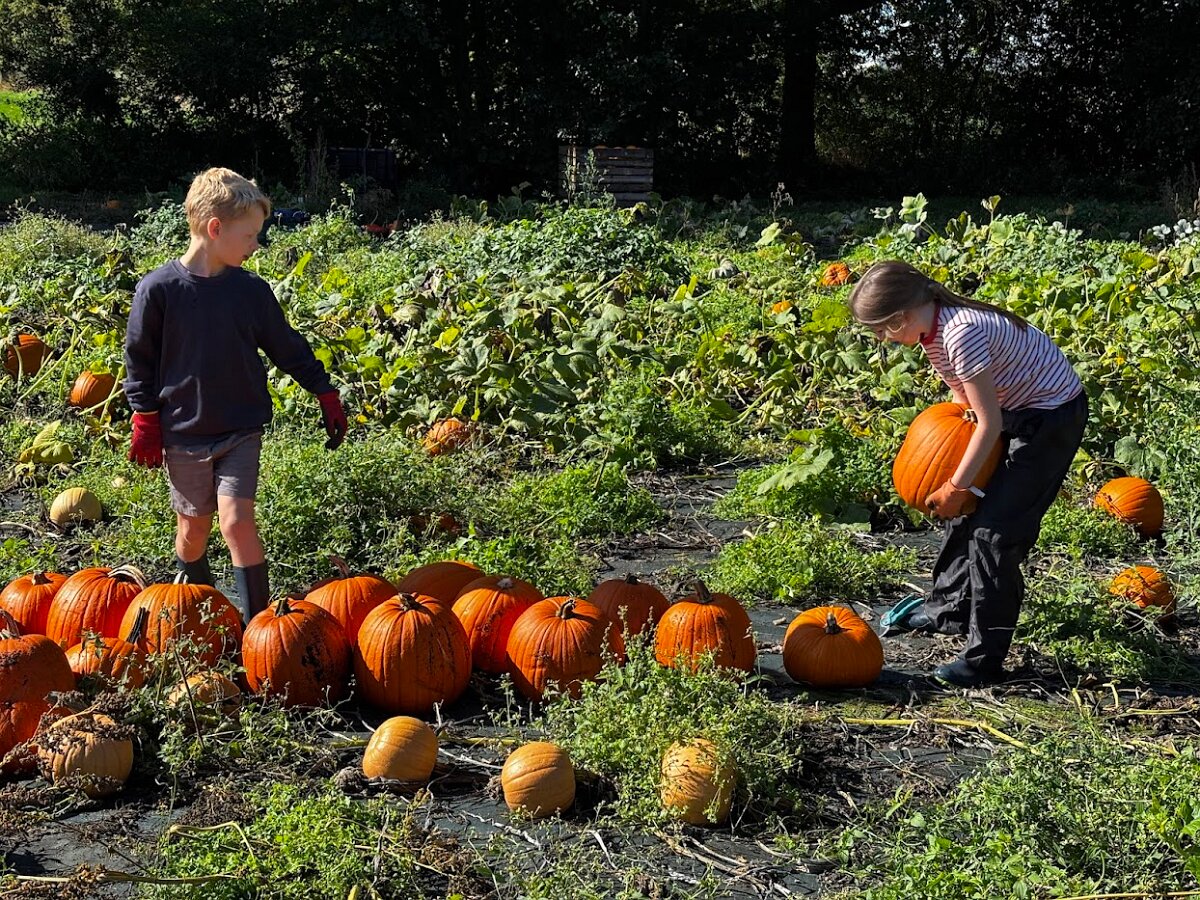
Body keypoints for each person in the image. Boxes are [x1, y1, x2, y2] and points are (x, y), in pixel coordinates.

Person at [123, 167, 347, 623]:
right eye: (250, 235)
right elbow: (139, 360)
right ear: (215, 228)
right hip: (183, 433)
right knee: (193, 530)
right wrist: (145, 419)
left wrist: (323, 390)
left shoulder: (250, 292)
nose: (255, 245)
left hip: (240, 430)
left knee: (236, 522)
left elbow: (286, 346)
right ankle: (203, 616)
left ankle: (257, 630)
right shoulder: (158, 290)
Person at [849, 260, 1086, 687]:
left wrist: (958, 484)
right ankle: (947, 609)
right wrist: (963, 483)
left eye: (880, 329)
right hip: (1013, 412)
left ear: (900, 317)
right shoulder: (931, 335)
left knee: (994, 534)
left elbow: (989, 424)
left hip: (1051, 419)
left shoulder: (961, 334)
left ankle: (984, 661)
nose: (880, 339)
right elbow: (970, 411)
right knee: (969, 509)